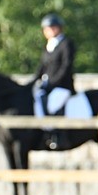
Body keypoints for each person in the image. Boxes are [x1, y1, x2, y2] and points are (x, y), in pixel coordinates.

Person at [32, 12, 76, 149]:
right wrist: (33, 81)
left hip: (62, 86)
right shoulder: (49, 45)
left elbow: (66, 66)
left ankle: (57, 136)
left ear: (57, 28)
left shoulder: (66, 44)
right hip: (48, 85)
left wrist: (53, 82)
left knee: (52, 104)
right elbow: (42, 67)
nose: (46, 31)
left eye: (49, 28)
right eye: (45, 29)